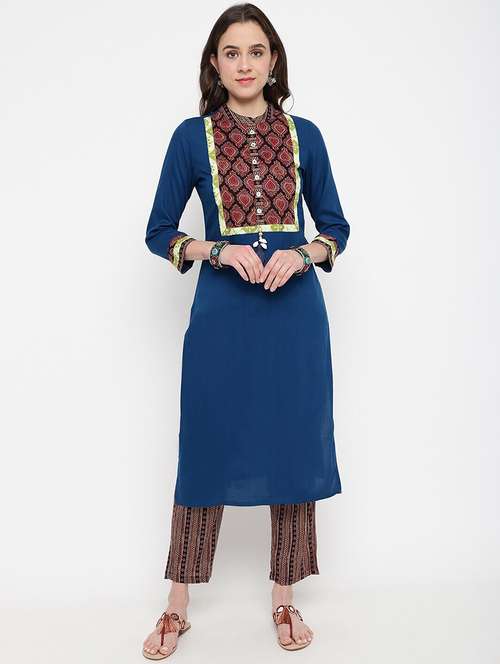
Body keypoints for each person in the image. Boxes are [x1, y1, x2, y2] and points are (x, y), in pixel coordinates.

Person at [142, 3, 350, 658]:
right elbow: (158, 231)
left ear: (273, 60)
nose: (244, 64)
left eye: (256, 51)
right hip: (222, 317)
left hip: (295, 318)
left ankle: (284, 596)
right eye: (231, 52)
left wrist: (305, 254)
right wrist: (215, 249)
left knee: (293, 448)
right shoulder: (191, 138)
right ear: (215, 63)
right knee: (206, 446)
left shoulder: (305, 135)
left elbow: (336, 226)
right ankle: (178, 603)